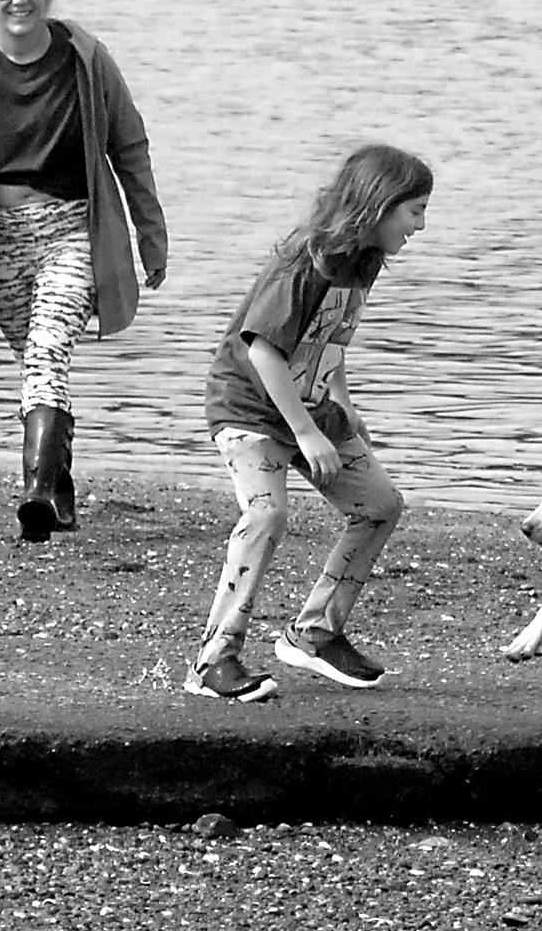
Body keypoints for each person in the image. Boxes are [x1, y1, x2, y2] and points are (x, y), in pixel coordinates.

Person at [0, 0, 168, 542]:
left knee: (47, 352)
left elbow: (129, 147)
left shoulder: (85, 59)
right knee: (37, 365)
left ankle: (34, 491)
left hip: (73, 231)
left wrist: (150, 235)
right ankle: (60, 490)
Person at [187, 144, 433, 702]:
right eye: (414, 210)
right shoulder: (307, 260)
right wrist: (305, 432)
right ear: (378, 204)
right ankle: (212, 660)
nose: (420, 225)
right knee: (267, 514)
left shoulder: (362, 262)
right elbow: (263, 352)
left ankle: (314, 632)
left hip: (311, 410)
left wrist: (343, 408)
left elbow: (329, 342)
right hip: (248, 409)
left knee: (380, 506)